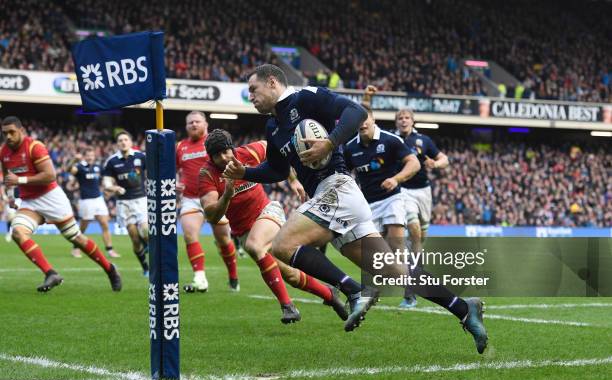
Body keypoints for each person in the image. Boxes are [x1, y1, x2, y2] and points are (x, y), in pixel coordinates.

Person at [225, 64, 487, 353]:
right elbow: (276, 169)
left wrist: (329, 143)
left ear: (272, 82)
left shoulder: (306, 98)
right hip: (332, 200)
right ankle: (464, 309)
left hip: (338, 189)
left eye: (253, 89)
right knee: (395, 271)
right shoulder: (273, 126)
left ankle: (352, 289)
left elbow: (356, 112)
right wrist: (244, 173)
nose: (250, 96)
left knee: (283, 245)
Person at [199, 129, 348, 323]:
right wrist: (227, 194)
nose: (223, 157)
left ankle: (288, 307)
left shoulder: (251, 151)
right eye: (216, 155)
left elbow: (279, 151)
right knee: (291, 275)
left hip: (267, 212)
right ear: (210, 157)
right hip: (243, 230)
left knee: (255, 246)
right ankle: (330, 295)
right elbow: (212, 215)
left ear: (232, 148)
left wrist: (293, 180)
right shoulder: (207, 175)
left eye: (225, 151)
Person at [0, 116, 121, 292]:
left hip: (51, 197)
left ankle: (110, 269)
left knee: (76, 239)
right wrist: (11, 196)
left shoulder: (35, 146)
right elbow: (9, 177)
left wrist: (21, 179)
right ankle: (51, 273)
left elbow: (50, 175)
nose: (8, 136)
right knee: (18, 233)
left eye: (12, 132)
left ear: (21, 131)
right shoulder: (4, 152)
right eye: (5, 133)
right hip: (29, 202)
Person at [343, 104, 420, 253]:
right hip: (367, 205)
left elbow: (414, 163)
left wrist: (396, 179)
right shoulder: (350, 148)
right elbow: (343, 173)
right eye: (358, 120)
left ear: (373, 120)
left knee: (396, 244)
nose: (362, 123)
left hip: (392, 199)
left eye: (365, 119)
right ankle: (402, 270)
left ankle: (408, 274)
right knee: (377, 254)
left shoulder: (391, 140)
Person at [176, 111, 238, 293]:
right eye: (190, 123)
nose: (193, 125)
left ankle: (233, 276)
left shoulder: (214, 144)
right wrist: (175, 183)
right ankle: (200, 278)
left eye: (197, 121)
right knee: (189, 235)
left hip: (215, 198)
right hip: (190, 198)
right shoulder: (180, 147)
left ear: (205, 124)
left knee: (223, 240)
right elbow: (174, 168)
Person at [395, 108, 449, 308]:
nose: (403, 120)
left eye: (407, 117)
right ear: (396, 122)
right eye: (400, 118)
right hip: (403, 191)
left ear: (412, 120)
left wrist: (435, 164)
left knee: (420, 239)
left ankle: (417, 270)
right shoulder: (393, 140)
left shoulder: (424, 140)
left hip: (423, 192)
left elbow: (445, 159)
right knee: (414, 231)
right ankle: (410, 289)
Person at [102, 131, 149, 276]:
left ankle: (147, 243)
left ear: (130, 142)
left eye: (125, 139)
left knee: (146, 231)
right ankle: (145, 267)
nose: (123, 142)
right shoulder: (112, 161)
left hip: (141, 200)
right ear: (117, 144)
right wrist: (113, 187)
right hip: (124, 204)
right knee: (134, 238)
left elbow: (153, 172)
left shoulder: (141, 157)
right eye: (120, 140)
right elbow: (106, 182)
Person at [68, 147, 120, 259]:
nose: (90, 157)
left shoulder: (98, 167)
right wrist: (74, 160)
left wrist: (109, 190)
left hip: (98, 199)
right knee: (83, 227)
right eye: (88, 155)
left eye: (92, 155)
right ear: (84, 156)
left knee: (105, 223)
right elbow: (69, 169)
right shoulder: (80, 167)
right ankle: (76, 248)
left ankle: (110, 249)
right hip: (86, 200)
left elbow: (104, 181)